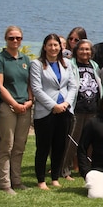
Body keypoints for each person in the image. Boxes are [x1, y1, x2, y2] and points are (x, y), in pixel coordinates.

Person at [30, 33, 78, 190]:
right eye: (50, 45)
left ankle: (55, 177)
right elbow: (36, 89)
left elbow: (73, 86)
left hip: (64, 109)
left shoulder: (67, 63)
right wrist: (53, 106)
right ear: (44, 47)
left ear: (60, 47)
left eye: (56, 45)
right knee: (43, 147)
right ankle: (41, 180)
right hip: (45, 112)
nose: (53, 48)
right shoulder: (37, 64)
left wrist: (66, 103)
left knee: (60, 146)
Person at [0, 26, 33, 194]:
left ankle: (16, 180)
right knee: (6, 146)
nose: (15, 41)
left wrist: (30, 101)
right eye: (11, 38)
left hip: (25, 107)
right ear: (6, 39)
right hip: (7, 108)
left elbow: (29, 82)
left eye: (18, 38)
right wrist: (14, 104)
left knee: (19, 146)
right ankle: (4, 183)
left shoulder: (25, 59)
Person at [61, 38, 102, 179]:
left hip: (93, 109)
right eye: (82, 49)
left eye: (88, 49)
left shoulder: (95, 65)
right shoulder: (71, 64)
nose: (85, 52)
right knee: (71, 141)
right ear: (76, 51)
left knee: (91, 142)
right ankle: (64, 170)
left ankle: (88, 168)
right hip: (76, 109)